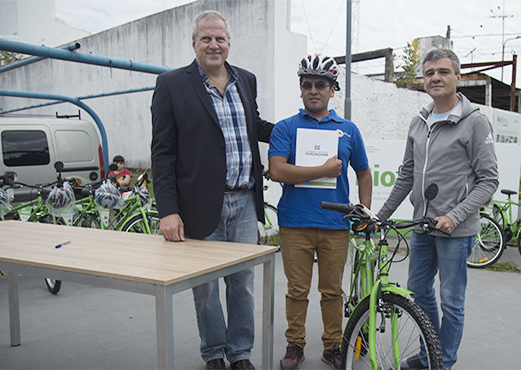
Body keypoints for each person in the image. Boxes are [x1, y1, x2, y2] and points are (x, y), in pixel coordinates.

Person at [150, 10, 275, 370]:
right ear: (194, 44)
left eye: (219, 38)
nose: (213, 44)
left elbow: (256, 126)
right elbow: (162, 153)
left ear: (229, 43)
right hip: (199, 206)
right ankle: (213, 354)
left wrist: (299, 130)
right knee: (204, 288)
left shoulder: (245, 80)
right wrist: (167, 210)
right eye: (206, 38)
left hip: (245, 202)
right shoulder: (172, 85)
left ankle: (240, 353)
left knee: (242, 284)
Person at [377, 48, 499, 370]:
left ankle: (442, 363)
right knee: (418, 292)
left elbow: (488, 181)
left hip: (455, 232)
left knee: (452, 302)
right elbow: (406, 174)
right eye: (430, 72)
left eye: (443, 72)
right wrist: (381, 217)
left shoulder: (474, 123)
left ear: (458, 78)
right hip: (422, 227)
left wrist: (454, 216)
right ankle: (428, 351)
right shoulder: (419, 122)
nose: (436, 78)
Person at [268, 54, 372, 370]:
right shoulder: (286, 128)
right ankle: (295, 344)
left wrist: (364, 212)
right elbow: (277, 171)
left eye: (321, 85)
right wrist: (323, 169)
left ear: (332, 89)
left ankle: (332, 346)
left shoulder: (349, 130)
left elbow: (364, 173)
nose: (314, 90)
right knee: (297, 290)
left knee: (332, 292)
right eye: (308, 84)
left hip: (336, 222)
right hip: (295, 222)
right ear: (301, 89)